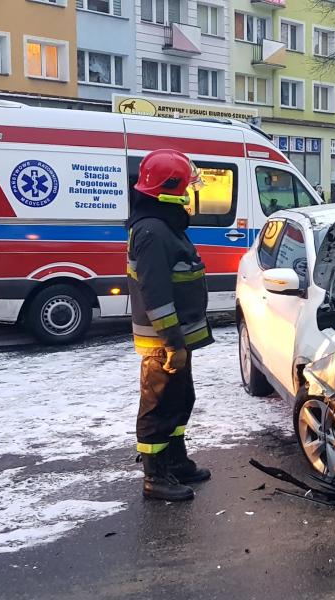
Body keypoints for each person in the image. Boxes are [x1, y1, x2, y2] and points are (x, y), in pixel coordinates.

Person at [126, 149, 215, 502]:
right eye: (185, 188)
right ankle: (155, 477)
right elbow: (156, 294)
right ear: (169, 189)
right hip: (164, 343)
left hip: (176, 339)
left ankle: (175, 462)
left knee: (180, 400)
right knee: (158, 407)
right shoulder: (152, 231)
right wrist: (173, 344)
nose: (189, 195)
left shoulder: (163, 224)